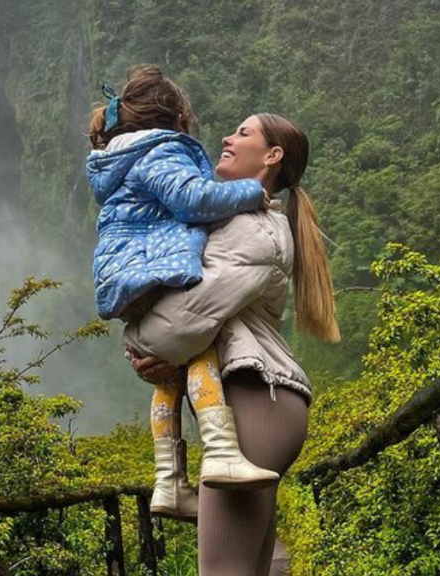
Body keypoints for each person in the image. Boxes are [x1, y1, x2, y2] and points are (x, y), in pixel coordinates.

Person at [126, 112, 339, 574]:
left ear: (272, 156)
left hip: (256, 399)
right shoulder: (245, 224)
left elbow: (187, 318)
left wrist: (140, 343)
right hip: (263, 402)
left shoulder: (252, 231)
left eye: (243, 133)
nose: (226, 137)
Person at [85, 65, 282, 522]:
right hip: (152, 267)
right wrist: (249, 193)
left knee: (170, 375)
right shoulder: (162, 152)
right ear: (176, 120)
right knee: (200, 345)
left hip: (126, 274)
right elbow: (192, 200)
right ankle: (219, 449)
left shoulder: (120, 159)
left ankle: (169, 480)